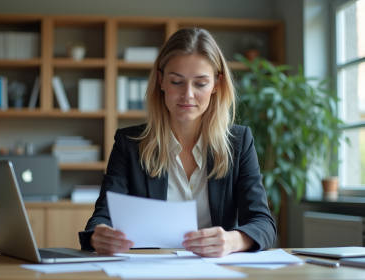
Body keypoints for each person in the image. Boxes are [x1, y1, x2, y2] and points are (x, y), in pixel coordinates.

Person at [79, 27, 276, 257]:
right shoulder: (129, 144)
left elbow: (263, 222)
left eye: (200, 83)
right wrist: (99, 235)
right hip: (149, 270)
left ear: (216, 84)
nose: (188, 95)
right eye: (177, 82)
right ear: (161, 80)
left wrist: (232, 241)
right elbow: (103, 216)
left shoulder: (239, 142)